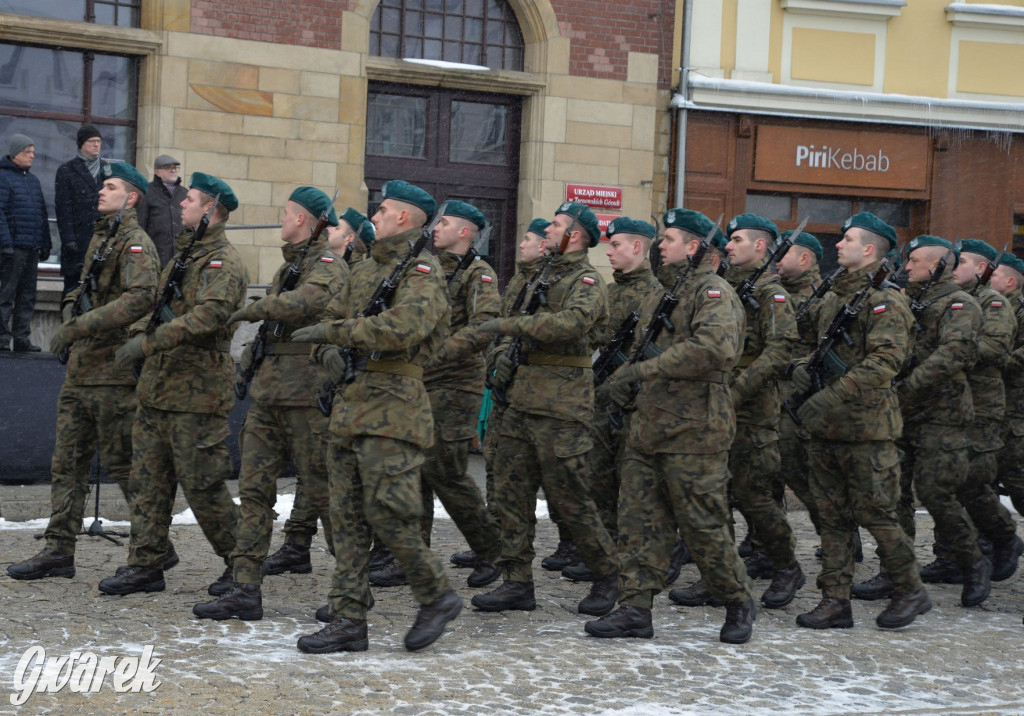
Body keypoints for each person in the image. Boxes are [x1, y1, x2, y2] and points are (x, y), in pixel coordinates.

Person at [291, 179, 461, 654]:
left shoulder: (423, 270)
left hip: (393, 409)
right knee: (345, 519)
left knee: (390, 514)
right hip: (351, 404)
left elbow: (403, 327)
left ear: (404, 218)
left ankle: (437, 594)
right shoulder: (363, 271)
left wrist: (335, 332)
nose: (376, 216)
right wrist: (327, 351)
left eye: (383, 210)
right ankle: (348, 619)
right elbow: (328, 324)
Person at [584, 208, 756, 644]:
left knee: (703, 524)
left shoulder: (714, 292)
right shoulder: (661, 294)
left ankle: (737, 600)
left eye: (671, 239)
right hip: (649, 428)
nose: (661, 245)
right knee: (640, 523)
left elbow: (714, 349)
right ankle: (635, 609)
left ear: (695, 247)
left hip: (695, 430)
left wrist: (644, 372)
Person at [192, 187, 347, 621]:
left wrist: (257, 309)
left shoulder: (327, 264)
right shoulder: (290, 266)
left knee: (324, 494)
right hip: (268, 396)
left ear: (302, 219)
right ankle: (245, 587)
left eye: (285, 213)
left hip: (305, 397)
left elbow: (310, 302)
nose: (281, 219)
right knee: (254, 492)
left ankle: (352, 590)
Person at [6, 163, 161, 580]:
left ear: (131, 197)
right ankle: (59, 550)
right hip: (82, 370)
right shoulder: (102, 236)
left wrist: (80, 325)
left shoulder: (135, 243)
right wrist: (69, 308)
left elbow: (141, 299)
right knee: (67, 464)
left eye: (110, 187)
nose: (100, 192)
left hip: (112, 373)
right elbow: (83, 286)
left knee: (125, 465)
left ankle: (153, 547)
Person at [97, 172, 248, 597]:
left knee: (204, 487)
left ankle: (241, 565)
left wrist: (147, 343)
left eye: (191, 200)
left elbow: (205, 320)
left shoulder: (225, 263)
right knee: (148, 481)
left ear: (211, 210)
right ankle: (145, 564)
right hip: (159, 389)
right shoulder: (183, 257)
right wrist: (137, 336)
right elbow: (159, 307)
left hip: (196, 394)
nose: (181, 204)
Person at [470, 201, 620, 620]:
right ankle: (517, 582)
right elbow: (505, 320)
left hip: (561, 406)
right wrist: (500, 356)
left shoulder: (587, 280)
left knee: (571, 499)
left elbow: (572, 324)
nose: (548, 231)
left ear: (577, 235)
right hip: (518, 400)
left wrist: (510, 329)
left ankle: (609, 575)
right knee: (510, 497)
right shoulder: (535, 276)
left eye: (556, 225)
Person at [790, 211, 930, 629]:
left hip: (867, 429)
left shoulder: (886, 300)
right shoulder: (833, 296)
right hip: (826, 427)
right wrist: (802, 369)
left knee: (877, 514)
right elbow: (810, 346)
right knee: (832, 518)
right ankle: (835, 600)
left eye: (846, 238)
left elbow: (885, 363)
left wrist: (830, 394)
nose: (837, 244)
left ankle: (910, 589)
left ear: (868, 249)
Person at [372, 200, 503, 590]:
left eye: (444, 223)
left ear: (464, 231)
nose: (436, 228)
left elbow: (484, 325)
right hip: (420, 382)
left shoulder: (478, 274)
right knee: (414, 470)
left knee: (446, 473)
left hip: (454, 386)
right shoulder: (423, 267)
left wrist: (437, 353)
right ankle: (411, 556)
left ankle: (492, 548)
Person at [854, 235, 991, 608]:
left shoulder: (960, 304)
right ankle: (895, 571)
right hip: (902, 413)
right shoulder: (907, 299)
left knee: (935, 493)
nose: (908, 266)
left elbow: (954, 353)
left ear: (938, 266)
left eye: (915, 261)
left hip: (941, 414)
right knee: (891, 495)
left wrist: (906, 387)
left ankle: (972, 561)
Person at [675, 213, 803, 610]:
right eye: (728, 241)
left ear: (761, 247)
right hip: (715, 407)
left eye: (738, 240)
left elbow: (780, 350)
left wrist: (737, 391)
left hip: (752, 412)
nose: (728, 246)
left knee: (754, 496)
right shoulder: (725, 288)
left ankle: (786, 566)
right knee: (717, 494)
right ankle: (720, 576)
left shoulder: (772, 295)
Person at [261, 207, 374, 578]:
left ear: (352, 237)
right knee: (314, 471)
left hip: (342, 380)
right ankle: (297, 543)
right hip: (313, 377)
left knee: (331, 474)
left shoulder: (351, 272)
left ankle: (369, 556)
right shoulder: (315, 266)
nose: (330, 231)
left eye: (338, 228)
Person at [562, 217, 661, 584]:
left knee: (632, 493)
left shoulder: (656, 292)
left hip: (636, 406)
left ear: (637, 247)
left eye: (616, 244)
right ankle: (604, 559)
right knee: (598, 482)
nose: (609, 251)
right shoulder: (608, 289)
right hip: (603, 400)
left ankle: (632, 566)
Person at [448, 218, 552, 571]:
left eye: (529, 239)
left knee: (526, 480)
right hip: (505, 384)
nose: (521, 245)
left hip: (538, 390)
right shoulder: (521, 281)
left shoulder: (543, 281)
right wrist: (498, 358)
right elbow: (500, 330)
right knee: (495, 467)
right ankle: (494, 543)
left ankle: (506, 550)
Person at [941, 240, 1021, 583]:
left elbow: (999, 353)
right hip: (955, 405)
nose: (952, 268)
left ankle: (1000, 540)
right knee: (951, 482)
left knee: (989, 483)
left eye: (960, 263)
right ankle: (956, 555)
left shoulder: (994, 304)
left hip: (996, 409)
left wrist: (951, 354)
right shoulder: (950, 300)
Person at [773, 231, 831, 548]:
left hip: (800, 399)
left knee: (801, 475)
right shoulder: (772, 292)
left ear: (804, 259)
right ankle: (765, 539)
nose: (776, 260)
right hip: (770, 395)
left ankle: (836, 535)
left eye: (784, 254)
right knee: (765, 473)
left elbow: (827, 350)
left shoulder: (823, 297)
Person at [0, 133, 50, 352]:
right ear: (15, 154)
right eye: (27, 152)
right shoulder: (3, 177)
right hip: (13, 248)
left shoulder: (33, 180)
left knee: (27, 295)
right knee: (6, 295)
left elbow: (41, 213)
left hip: (31, 247)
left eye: (33, 151)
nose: (33, 156)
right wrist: (5, 243)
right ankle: (2, 339)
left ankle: (21, 337)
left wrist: (45, 242)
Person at [992, 253, 1024, 519]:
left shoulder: (1020, 310)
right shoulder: (993, 307)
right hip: (994, 404)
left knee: (1016, 477)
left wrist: (996, 358)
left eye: (995, 276)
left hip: (1015, 407)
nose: (989, 279)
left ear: (1010, 281)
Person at [55, 124, 103, 294]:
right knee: (73, 291)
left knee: (98, 291)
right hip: (77, 240)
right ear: (81, 144)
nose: (96, 145)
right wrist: (68, 239)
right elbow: (63, 208)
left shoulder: (107, 170)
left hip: (101, 240)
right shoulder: (67, 170)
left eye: (99, 141)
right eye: (92, 141)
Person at [136, 154, 187, 267]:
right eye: (168, 167)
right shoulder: (147, 192)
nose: (173, 170)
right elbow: (140, 226)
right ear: (157, 172)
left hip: (181, 259)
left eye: (175, 168)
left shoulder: (185, 193)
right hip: (155, 258)